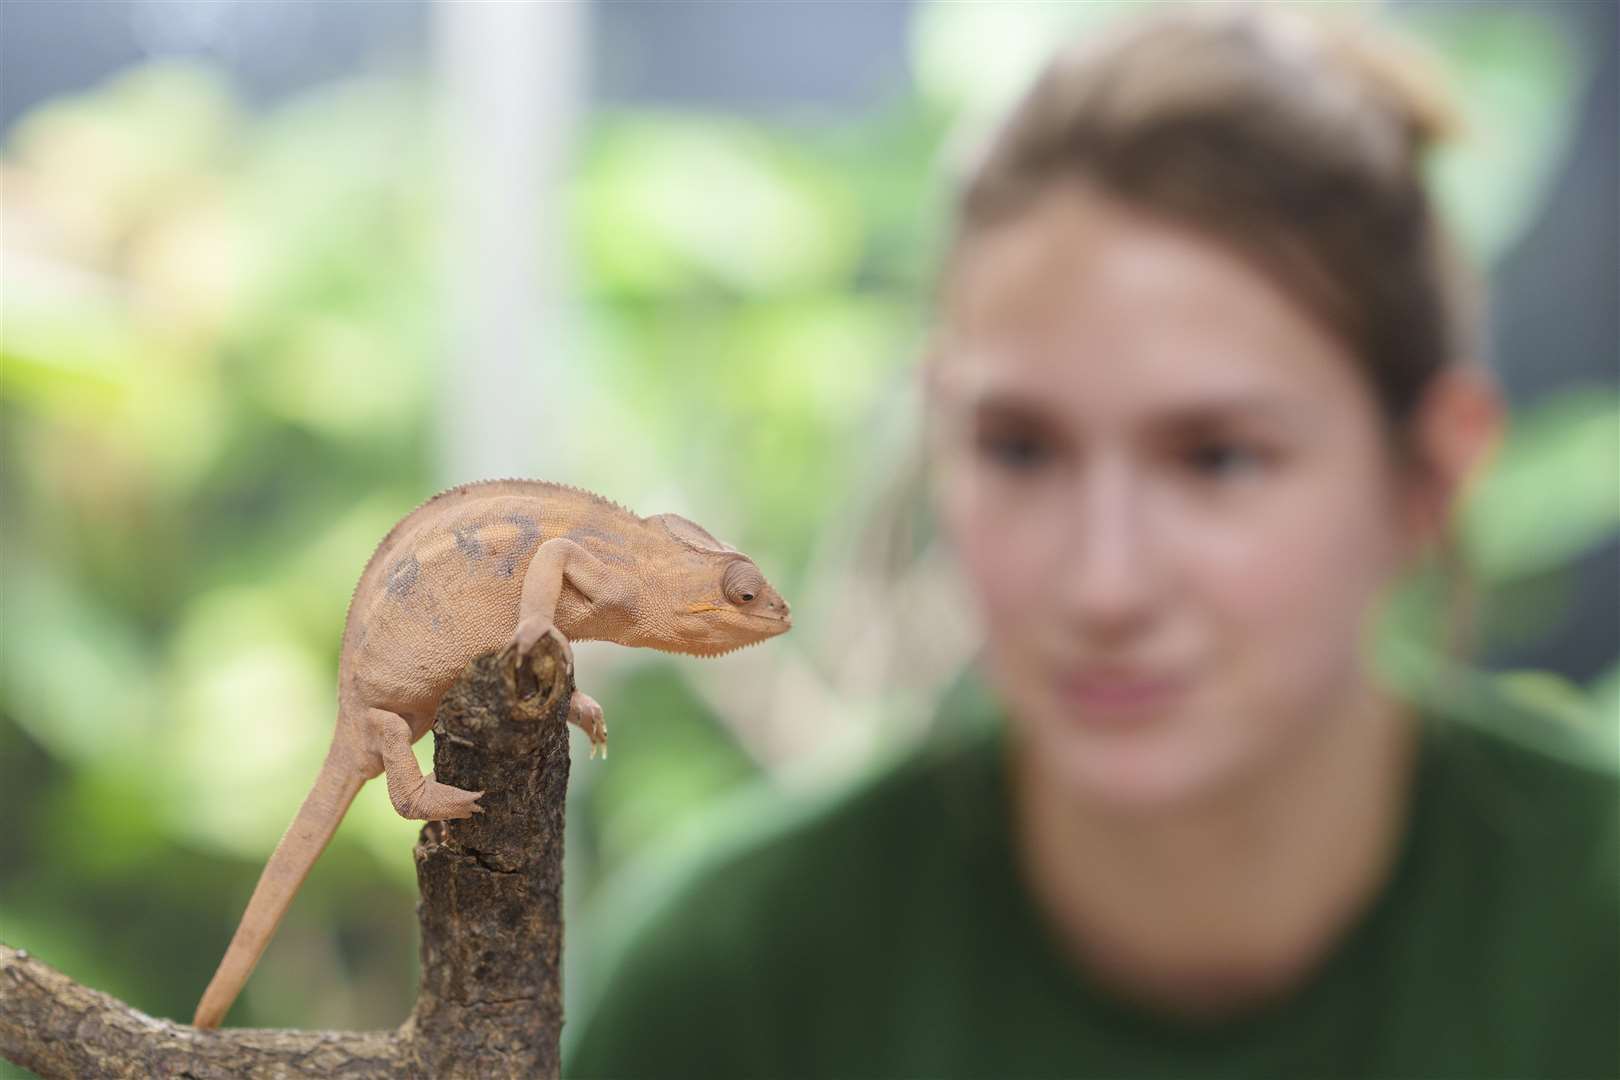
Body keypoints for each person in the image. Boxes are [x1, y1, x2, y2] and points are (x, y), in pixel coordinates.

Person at [564, 5, 1618, 1077]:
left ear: (1430, 474)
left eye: (1218, 458)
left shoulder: (1589, 928)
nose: (1102, 582)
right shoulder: (736, 983)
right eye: (1019, 449)